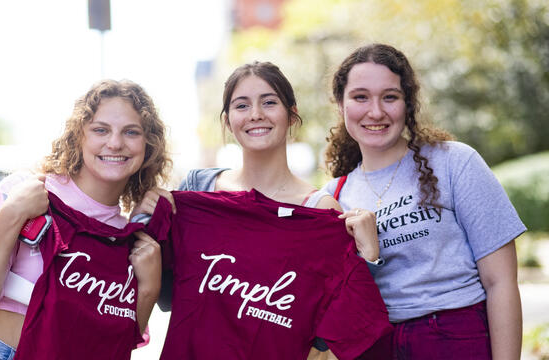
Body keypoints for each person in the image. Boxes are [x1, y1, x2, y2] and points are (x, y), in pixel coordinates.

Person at [138, 61, 391, 359]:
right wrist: (146, 219)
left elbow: (326, 333)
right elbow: (170, 298)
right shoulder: (198, 188)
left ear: (291, 115)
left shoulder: (319, 212)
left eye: (269, 102)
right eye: (242, 105)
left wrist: (369, 259)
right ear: (228, 121)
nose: (256, 114)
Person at [0, 79, 171, 360]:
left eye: (131, 132)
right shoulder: (28, 192)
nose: (115, 143)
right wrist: (11, 214)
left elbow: (113, 344)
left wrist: (148, 288)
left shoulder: (130, 239)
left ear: (148, 145)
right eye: (100, 130)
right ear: (78, 136)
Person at [322, 43, 526, 360]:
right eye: (360, 97)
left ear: (408, 103)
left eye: (390, 97)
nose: (375, 111)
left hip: (456, 338)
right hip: (378, 346)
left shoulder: (454, 162)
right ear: (340, 104)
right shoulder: (333, 196)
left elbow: (500, 282)